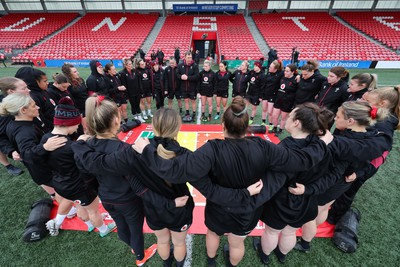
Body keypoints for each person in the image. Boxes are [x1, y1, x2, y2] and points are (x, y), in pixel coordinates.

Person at [292, 101, 390, 253]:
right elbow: (368, 161)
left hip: (331, 182)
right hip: (344, 182)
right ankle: (309, 233)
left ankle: (305, 243)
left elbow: (331, 167)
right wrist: (357, 173)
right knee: (322, 209)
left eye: (338, 117)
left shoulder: (344, 144)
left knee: (310, 213)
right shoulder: (370, 137)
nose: (335, 119)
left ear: (350, 121)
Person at [254, 103, 334, 264]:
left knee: (272, 231)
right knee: (290, 232)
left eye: (290, 116)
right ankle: (282, 255)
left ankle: (265, 255)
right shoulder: (320, 145)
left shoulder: (286, 147)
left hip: (283, 199)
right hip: (306, 199)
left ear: (297, 123)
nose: (288, 118)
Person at [42, 97, 115, 237]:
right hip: (80, 185)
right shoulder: (72, 147)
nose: (78, 127)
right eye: (77, 124)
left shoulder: (46, 139)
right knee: (93, 210)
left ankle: (88, 225)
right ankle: (103, 230)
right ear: (71, 123)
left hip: (61, 183)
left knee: (78, 205)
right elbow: (88, 165)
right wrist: (82, 144)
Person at [327, 86, 400, 224]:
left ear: (382, 104)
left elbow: (379, 156)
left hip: (361, 168)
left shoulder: (384, 126)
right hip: (352, 161)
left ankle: (334, 217)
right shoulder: (371, 115)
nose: (362, 102)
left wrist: (360, 173)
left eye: (366, 101)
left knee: (349, 191)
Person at [0, 93, 67, 196]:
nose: (38, 107)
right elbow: (27, 154)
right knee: (64, 195)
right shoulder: (24, 132)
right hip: (45, 170)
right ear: (23, 110)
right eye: (34, 106)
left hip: (40, 169)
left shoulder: (15, 122)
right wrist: (45, 147)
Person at [0, 77, 27, 176]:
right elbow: (1, 135)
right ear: (11, 91)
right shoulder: (6, 110)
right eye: (24, 88)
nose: (28, 90)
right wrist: (11, 151)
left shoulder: (21, 100)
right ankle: (8, 165)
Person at [15, 67, 55, 133]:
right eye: (45, 81)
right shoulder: (33, 97)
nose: (47, 83)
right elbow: (41, 119)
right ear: (34, 81)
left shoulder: (43, 91)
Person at [270, 64, 298, 136]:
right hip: (278, 100)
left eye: (287, 71)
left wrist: (299, 75)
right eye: (285, 70)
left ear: (292, 72)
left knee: (283, 118)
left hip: (287, 102)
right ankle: (275, 127)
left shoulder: (295, 80)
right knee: (274, 115)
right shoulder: (282, 78)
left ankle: (280, 130)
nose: (285, 72)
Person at [61, 63, 88, 131]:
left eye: (76, 71)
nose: (77, 73)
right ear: (69, 74)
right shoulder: (67, 84)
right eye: (75, 72)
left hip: (87, 106)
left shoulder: (80, 80)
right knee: (84, 129)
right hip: (79, 110)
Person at [261, 60, 284, 130]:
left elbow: (291, 72)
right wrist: (261, 95)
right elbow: (264, 84)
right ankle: (263, 122)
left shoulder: (280, 74)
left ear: (275, 69)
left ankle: (271, 124)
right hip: (265, 94)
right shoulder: (268, 73)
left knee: (270, 111)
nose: (269, 68)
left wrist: (297, 75)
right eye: (269, 67)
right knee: (264, 109)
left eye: (271, 67)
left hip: (273, 95)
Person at [120, 58, 144, 123]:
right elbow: (124, 85)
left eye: (131, 64)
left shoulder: (135, 71)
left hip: (137, 92)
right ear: (126, 65)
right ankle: (135, 117)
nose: (131, 65)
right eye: (130, 64)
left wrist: (140, 90)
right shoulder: (123, 73)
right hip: (130, 93)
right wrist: (126, 94)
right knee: (133, 105)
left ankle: (139, 116)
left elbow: (139, 81)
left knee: (137, 104)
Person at [177, 51, 199, 122]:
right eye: (188, 57)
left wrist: (188, 78)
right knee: (186, 100)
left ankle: (194, 113)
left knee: (193, 101)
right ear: (185, 57)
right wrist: (181, 76)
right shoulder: (180, 65)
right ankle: (187, 113)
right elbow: (177, 74)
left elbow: (197, 76)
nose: (190, 59)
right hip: (183, 87)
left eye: (190, 57)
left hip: (192, 87)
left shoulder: (195, 65)